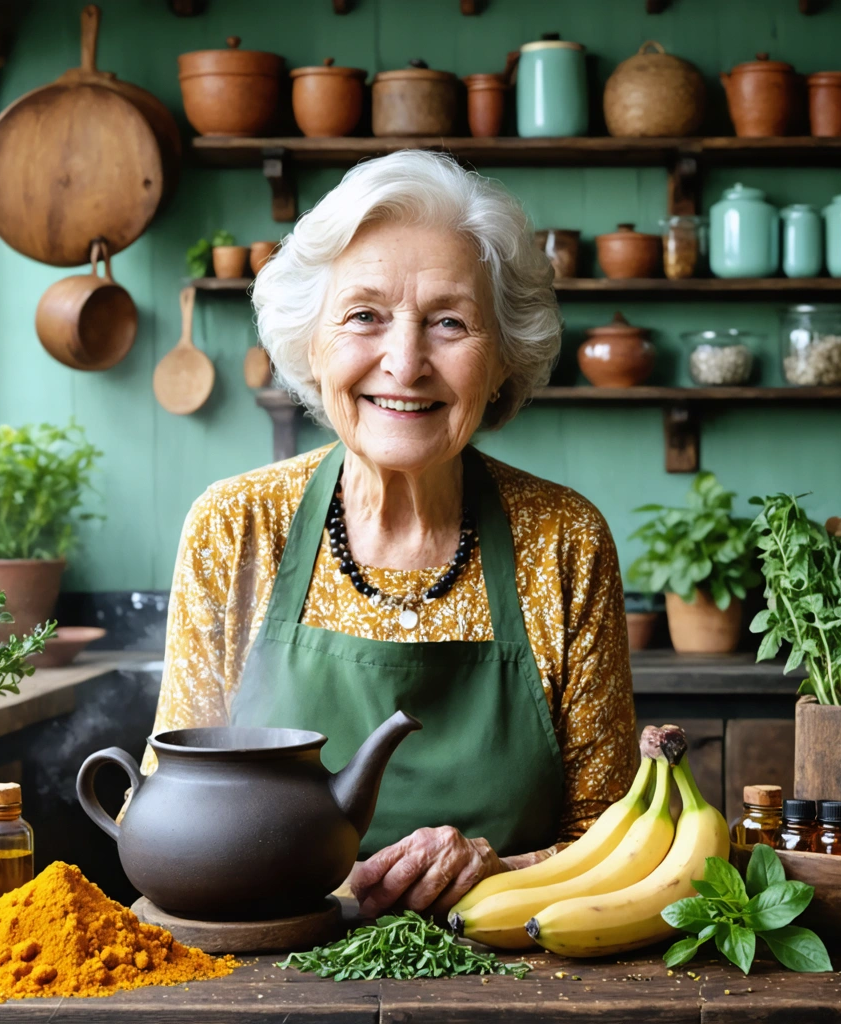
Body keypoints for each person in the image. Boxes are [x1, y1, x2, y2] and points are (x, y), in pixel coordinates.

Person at [143, 150, 638, 917]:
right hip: (277, 975)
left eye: (449, 322)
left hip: (519, 977)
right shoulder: (238, 528)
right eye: (364, 315)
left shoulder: (562, 540)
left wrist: (494, 869)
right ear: (312, 340)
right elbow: (170, 813)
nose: (404, 364)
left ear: (503, 359)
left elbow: (612, 840)